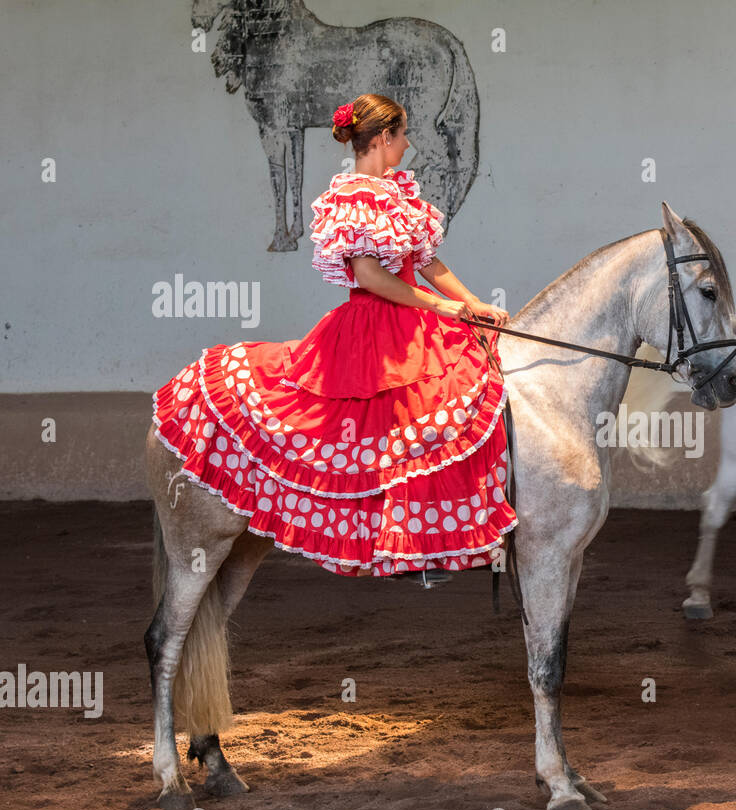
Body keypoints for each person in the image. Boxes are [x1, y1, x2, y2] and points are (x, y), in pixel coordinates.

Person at [151, 94, 518, 581]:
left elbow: (427, 261)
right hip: (374, 326)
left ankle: (423, 545)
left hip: (412, 319)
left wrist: (471, 302)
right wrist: (441, 305)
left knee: (441, 418)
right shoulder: (353, 197)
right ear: (384, 138)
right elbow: (367, 275)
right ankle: (405, 546)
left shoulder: (400, 192)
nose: (407, 145)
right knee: (400, 425)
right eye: (403, 135)